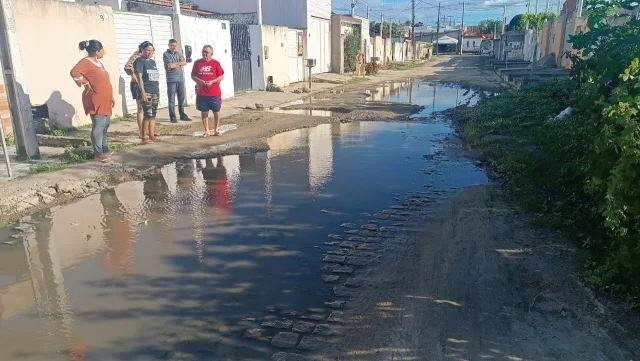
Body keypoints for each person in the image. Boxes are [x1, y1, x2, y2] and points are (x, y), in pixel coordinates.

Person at [70, 39, 114, 162]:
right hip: (96, 98)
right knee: (99, 125)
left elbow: (104, 81)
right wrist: (85, 83)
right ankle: (98, 153)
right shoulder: (85, 62)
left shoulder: (99, 63)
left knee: (105, 125)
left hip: (105, 98)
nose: (104, 52)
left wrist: (111, 97)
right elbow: (74, 72)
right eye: (102, 49)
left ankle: (104, 149)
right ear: (96, 51)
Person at [125, 43, 159, 139]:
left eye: (152, 50)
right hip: (140, 86)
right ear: (142, 49)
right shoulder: (137, 58)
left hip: (153, 88)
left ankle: (151, 134)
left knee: (152, 113)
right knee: (142, 110)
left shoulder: (152, 61)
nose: (150, 52)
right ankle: (142, 134)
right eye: (148, 50)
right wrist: (134, 76)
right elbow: (127, 68)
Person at [191, 45, 224, 137]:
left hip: (214, 93)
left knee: (216, 111)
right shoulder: (197, 63)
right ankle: (207, 131)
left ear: (211, 54)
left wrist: (212, 81)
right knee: (204, 112)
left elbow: (221, 76)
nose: (204, 54)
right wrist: (200, 81)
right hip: (202, 93)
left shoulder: (216, 63)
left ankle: (216, 129)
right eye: (203, 52)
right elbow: (193, 76)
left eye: (206, 52)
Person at [163, 39, 191, 123]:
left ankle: (182, 115)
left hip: (180, 79)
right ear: (169, 45)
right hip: (171, 80)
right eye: (172, 45)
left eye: (175, 45)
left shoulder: (178, 53)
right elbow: (170, 66)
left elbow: (184, 62)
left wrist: (176, 64)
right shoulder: (166, 54)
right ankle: (172, 117)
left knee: (181, 98)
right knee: (171, 99)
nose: (174, 47)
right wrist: (179, 63)